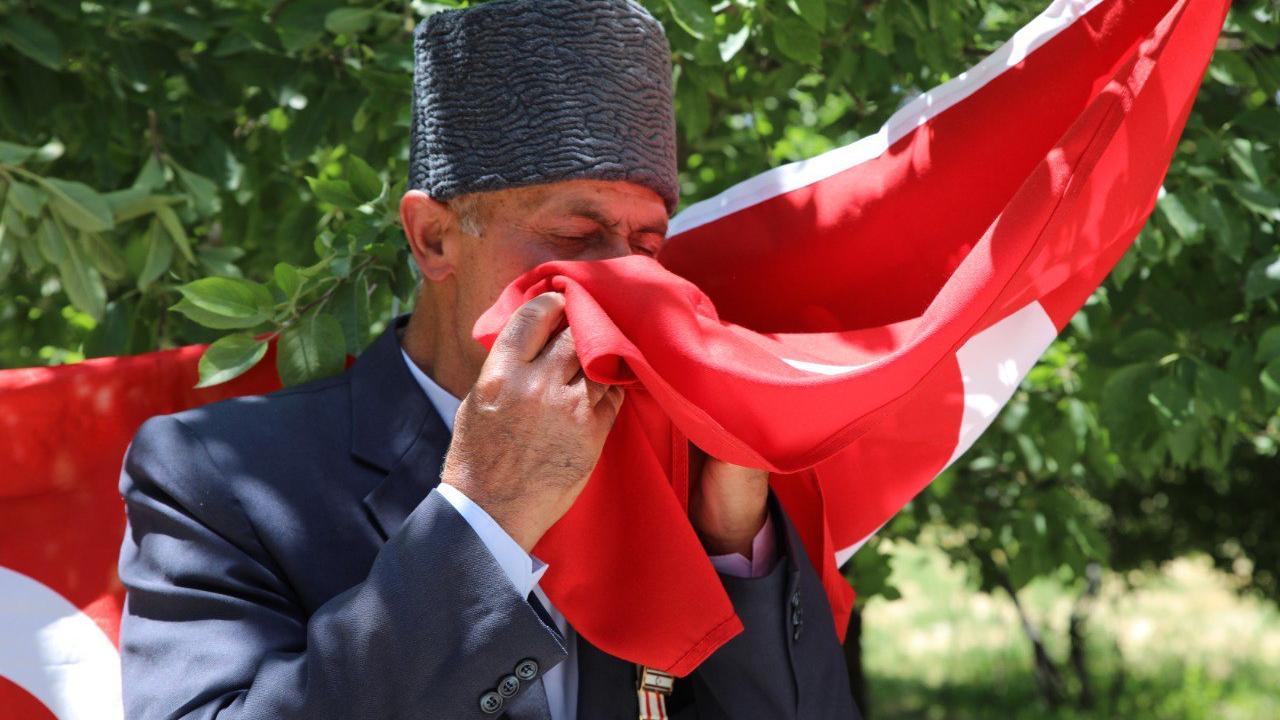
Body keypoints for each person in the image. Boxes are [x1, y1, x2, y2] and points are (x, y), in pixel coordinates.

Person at [116, 1, 860, 717]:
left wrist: (733, 545)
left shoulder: (669, 462)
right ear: (434, 238)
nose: (622, 280)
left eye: (646, 245)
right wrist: (485, 517)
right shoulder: (217, 477)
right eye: (574, 237)